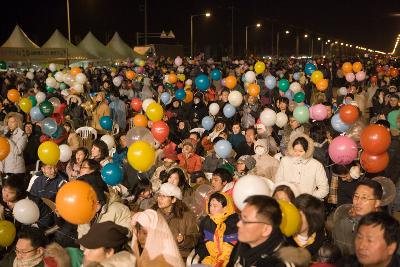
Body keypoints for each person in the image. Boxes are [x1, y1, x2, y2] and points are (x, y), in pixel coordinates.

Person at [227, 195, 290, 267]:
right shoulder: (243, 243)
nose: (238, 224)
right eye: (240, 217)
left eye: (245, 220)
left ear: (266, 230)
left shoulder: (281, 262)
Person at [333, 179, 383, 255]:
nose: (358, 202)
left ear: (377, 203)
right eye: (356, 196)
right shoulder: (342, 222)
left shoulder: (385, 229)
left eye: (364, 198)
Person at [275, 134, 329, 199]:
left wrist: (309, 198)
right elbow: (278, 181)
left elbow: (324, 189)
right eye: (295, 150)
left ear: (307, 150)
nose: (297, 153)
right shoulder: (285, 161)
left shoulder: (316, 165)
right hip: (287, 202)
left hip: (306, 205)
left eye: (301, 151)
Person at [154, 183, 199, 259]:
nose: (159, 199)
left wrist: (183, 239)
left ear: (173, 199)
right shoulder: (154, 213)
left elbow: (195, 239)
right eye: (159, 195)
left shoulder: (186, 216)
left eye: (164, 196)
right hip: (157, 253)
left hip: (179, 255)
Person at [196, 192, 239, 267]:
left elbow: (240, 249)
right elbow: (200, 243)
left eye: (215, 206)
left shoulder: (236, 223)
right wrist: (205, 257)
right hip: (210, 261)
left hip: (230, 263)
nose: (211, 209)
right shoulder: (206, 222)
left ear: (225, 208)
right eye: (210, 205)